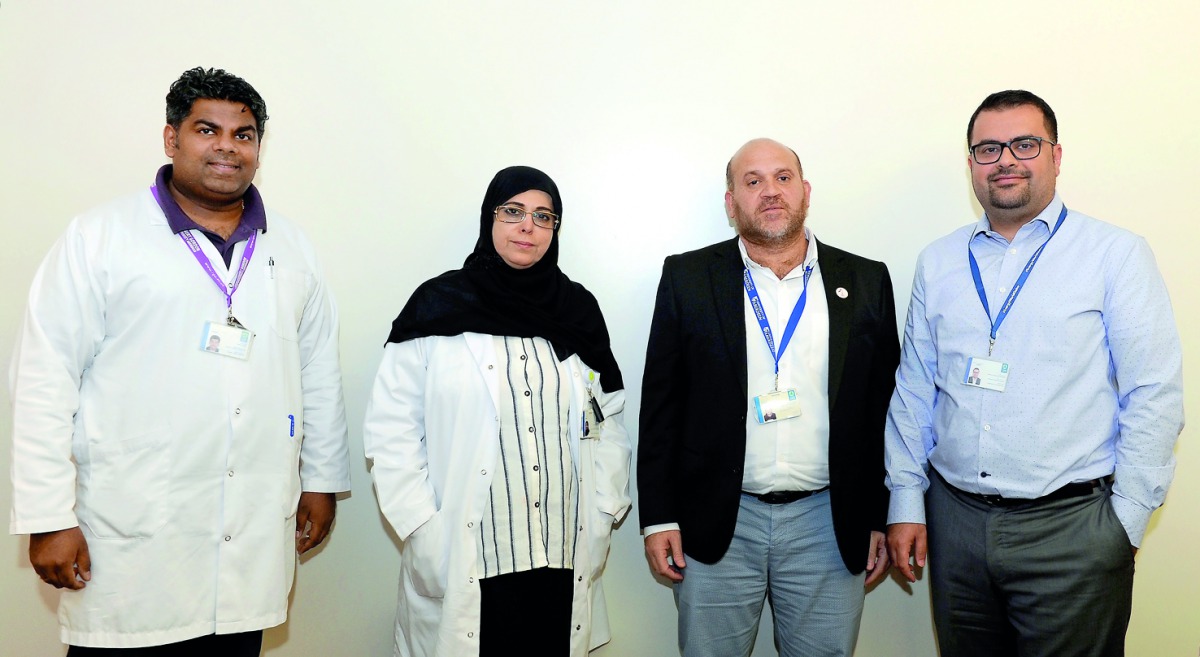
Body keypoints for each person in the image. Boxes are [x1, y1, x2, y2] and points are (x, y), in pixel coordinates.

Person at [8, 67, 350, 655]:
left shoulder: (292, 249)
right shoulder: (101, 237)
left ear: (259, 149)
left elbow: (318, 373)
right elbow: (43, 378)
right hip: (130, 536)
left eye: (243, 135)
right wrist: (46, 515)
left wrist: (321, 480)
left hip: (249, 531)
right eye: (207, 130)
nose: (226, 147)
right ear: (172, 139)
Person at [885, 90, 1184, 657]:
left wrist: (1126, 524)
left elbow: (1154, 393)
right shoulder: (939, 261)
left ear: (1056, 154)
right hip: (956, 525)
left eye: (1024, 143)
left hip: (1073, 530)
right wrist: (905, 500)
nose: (1005, 160)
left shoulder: (1114, 254)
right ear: (970, 162)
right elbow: (915, 388)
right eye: (988, 148)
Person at [638, 138, 900, 657]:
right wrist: (659, 516)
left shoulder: (865, 279)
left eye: (782, 178)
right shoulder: (688, 277)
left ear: (804, 192)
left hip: (828, 522)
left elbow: (883, 409)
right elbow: (661, 405)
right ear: (731, 202)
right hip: (716, 523)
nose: (770, 192)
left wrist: (880, 515)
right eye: (752, 181)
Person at [362, 166, 631, 657]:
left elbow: (608, 419)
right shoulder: (436, 304)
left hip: (561, 554)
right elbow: (391, 432)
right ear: (490, 219)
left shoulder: (578, 311)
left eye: (543, 216)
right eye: (513, 212)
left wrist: (603, 508)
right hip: (470, 556)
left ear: (555, 229)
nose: (528, 226)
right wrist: (423, 530)